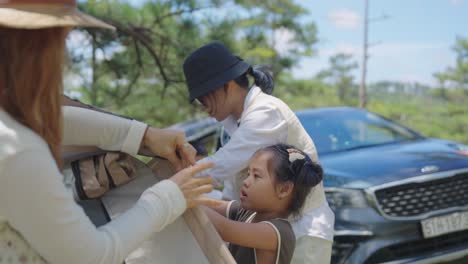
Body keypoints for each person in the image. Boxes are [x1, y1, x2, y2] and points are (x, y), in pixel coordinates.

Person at [0, 1, 214, 263]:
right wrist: (171, 196)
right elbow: (91, 255)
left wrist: (144, 136)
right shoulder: (17, 150)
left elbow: (48, 119)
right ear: (38, 48)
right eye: (63, 40)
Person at [183, 41, 335, 263]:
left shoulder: (265, 112)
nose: (203, 107)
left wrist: (169, 189)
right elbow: (231, 188)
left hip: (302, 229)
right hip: (261, 225)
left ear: (226, 85)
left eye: (203, 97)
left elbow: (219, 167)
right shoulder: (232, 122)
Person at [203, 144, 324, 264]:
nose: (246, 182)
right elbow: (208, 203)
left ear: (284, 189)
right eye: (248, 174)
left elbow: (224, 229)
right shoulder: (247, 213)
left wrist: (186, 198)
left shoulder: (277, 232)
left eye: (256, 176)